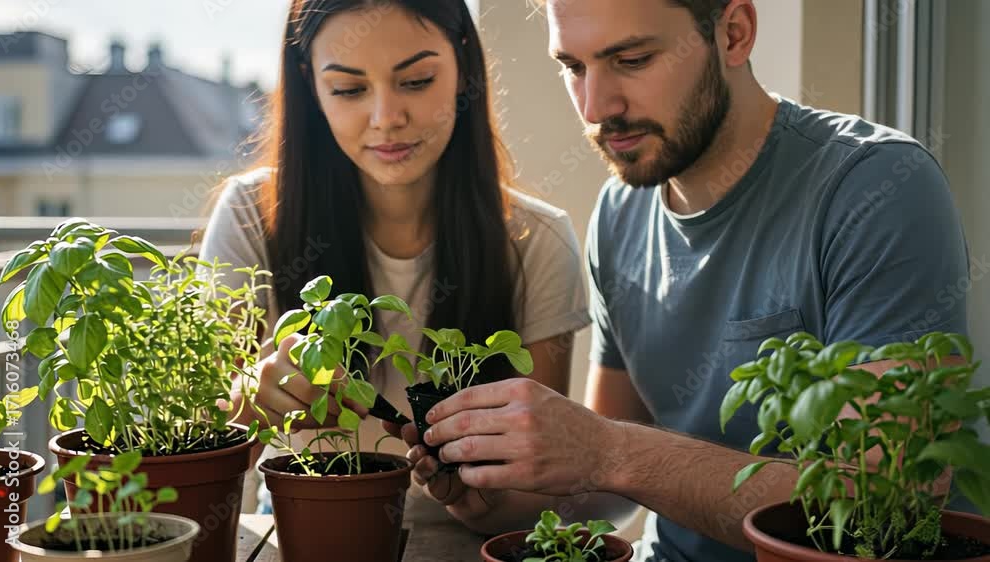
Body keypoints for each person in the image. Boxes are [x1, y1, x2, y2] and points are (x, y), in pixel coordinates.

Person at [386, 1, 971, 561]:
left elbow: (883, 512)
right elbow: (607, 491)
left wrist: (606, 449)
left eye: (632, 59)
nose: (595, 107)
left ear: (734, 33)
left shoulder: (877, 190)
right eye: (573, 66)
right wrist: (495, 499)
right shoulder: (621, 213)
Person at [199, 0, 590, 511]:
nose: (386, 119)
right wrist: (248, 401)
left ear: (463, 65)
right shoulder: (252, 217)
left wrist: (481, 501)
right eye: (349, 89)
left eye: (416, 81)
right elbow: (195, 453)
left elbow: (537, 499)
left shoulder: (538, 241)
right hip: (305, 531)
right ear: (310, 85)